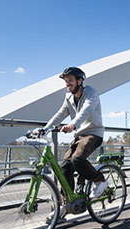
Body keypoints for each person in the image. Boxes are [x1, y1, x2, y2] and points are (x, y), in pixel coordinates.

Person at [36, 67, 108, 199]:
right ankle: (68, 201)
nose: (67, 84)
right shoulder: (68, 97)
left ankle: (100, 181)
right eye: (66, 81)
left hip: (94, 133)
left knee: (77, 159)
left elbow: (86, 110)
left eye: (70, 80)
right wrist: (45, 129)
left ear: (80, 80)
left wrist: (73, 124)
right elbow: (60, 114)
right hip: (79, 135)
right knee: (65, 166)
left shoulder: (91, 93)